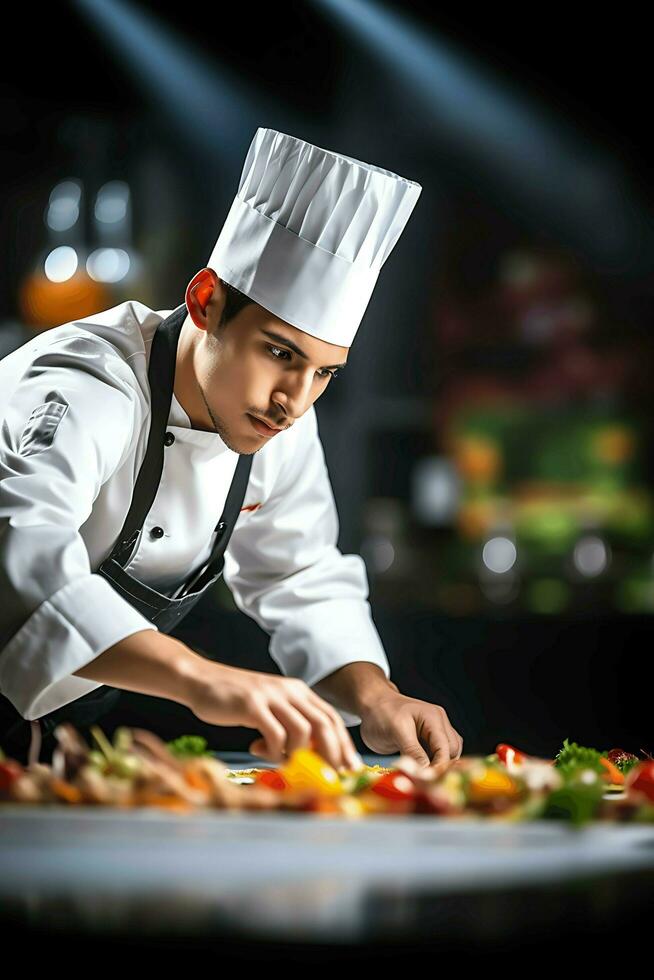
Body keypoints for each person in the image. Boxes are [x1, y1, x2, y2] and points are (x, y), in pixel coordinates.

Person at [0, 127, 463, 771]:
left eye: (325, 373)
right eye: (279, 353)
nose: (294, 401)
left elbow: (299, 574)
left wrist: (375, 695)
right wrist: (205, 681)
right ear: (205, 302)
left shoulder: (278, 422)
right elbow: (22, 560)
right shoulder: (87, 382)